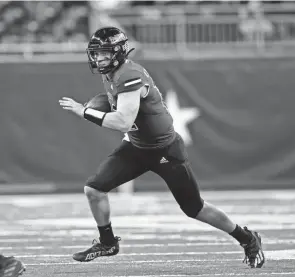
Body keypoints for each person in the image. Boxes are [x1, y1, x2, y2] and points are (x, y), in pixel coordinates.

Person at [58, 26, 265, 268]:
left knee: (194, 208)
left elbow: (123, 120)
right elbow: (117, 101)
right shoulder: (112, 73)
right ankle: (108, 242)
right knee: (94, 189)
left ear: (119, 52)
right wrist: (99, 103)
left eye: (105, 53)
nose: (99, 58)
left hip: (165, 150)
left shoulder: (129, 74)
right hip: (136, 146)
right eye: (96, 53)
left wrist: (84, 111)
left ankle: (246, 238)